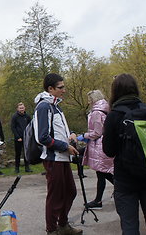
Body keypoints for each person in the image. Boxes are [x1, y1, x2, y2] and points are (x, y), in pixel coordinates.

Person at [102, 74, 146, 235]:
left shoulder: (113, 116)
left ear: (115, 91)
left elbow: (108, 151)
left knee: (130, 227)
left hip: (126, 180)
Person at [33, 73, 82, 235]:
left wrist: (72, 134)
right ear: (50, 89)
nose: (64, 90)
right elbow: (42, 137)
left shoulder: (55, 106)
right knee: (55, 197)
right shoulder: (43, 106)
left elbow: (59, 130)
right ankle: (52, 230)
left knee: (70, 192)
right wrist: (65, 147)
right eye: (61, 87)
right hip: (53, 158)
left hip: (62, 157)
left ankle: (63, 225)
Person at [79, 90, 113, 210]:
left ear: (93, 99)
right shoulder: (107, 109)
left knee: (103, 172)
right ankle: (99, 199)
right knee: (103, 173)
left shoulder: (96, 113)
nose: (88, 102)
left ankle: (99, 200)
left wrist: (84, 135)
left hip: (99, 146)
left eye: (89, 99)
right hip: (105, 143)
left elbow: (97, 132)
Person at [10, 102, 33, 173]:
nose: (21, 109)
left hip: (27, 137)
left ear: (24, 108)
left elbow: (30, 126)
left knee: (26, 153)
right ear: (18, 109)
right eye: (20, 108)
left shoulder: (27, 116)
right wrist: (17, 137)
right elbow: (13, 127)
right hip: (18, 138)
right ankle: (17, 168)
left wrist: (30, 136)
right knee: (18, 153)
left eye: (22, 108)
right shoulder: (15, 116)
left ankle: (27, 167)